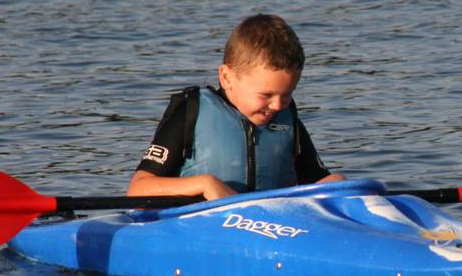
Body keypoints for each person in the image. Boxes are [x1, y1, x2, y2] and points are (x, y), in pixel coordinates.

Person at [127, 14, 343, 201]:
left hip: (273, 229)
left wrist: (336, 184)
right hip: (203, 228)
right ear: (227, 77)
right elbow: (138, 190)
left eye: (287, 94)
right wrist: (205, 184)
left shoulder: (287, 120)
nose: (277, 105)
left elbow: (319, 181)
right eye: (266, 95)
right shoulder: (190, 112)